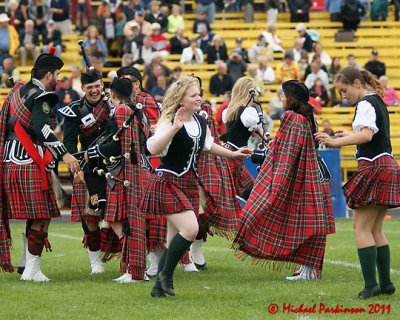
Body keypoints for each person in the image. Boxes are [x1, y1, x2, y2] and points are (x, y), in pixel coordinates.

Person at [140, 75, 251, 297]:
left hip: (189, 182)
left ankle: (158, 288)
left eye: (199, 94)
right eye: (193, 95)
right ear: (181, 99)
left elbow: (209, 145)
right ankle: (165, 277)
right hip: (168, 181)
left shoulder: (200, 120)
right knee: (191, 229)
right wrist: (174, 129)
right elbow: (152, 148)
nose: (199, 98)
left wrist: (233, 154)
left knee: (173, 238)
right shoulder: (169, 119)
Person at [233, 80, 335, 281]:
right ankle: (309, 269)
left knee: (299, 221)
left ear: (292, 98)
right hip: (312, 177)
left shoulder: (291, 117)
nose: (280, 98)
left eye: (283, 94)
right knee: (311, 224)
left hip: (301, 179)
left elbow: (287, 154)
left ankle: (309, 270)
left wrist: (275, 182)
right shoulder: (307, 117)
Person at [316, 67, 400, 299]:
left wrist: (334, 142)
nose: (344, 96)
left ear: (356, 83)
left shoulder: (364, 104)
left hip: (374, 167)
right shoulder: (377, 101)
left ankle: (372, 285)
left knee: (361, 228)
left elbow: (366, 136)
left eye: (344, 91)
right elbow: (368, 134)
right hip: (386, 165)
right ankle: (385, 284)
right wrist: (346, 136)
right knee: (375, 230)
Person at [0, 52, 80, 279]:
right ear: (48, 75)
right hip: (28, 161)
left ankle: (28, 266)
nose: (58, 79)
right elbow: (43, 129)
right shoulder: (43, 96)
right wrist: (65, 155)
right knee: (41, 214)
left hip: (9, 162)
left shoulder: (18, 91)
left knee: (36, 215)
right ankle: (32, 271)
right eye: (57, 74)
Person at [85, 76, 147, 282]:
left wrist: (93, 152)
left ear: (112, 94)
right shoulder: (135, 111)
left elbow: (118, 145)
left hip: (123, 172)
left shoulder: (121, 111)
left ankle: (133, 268)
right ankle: (134, 267)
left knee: (119, 219)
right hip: (130, 171)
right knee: (117, 219)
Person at [61, 69, 110, 275]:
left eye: (97, 86)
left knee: (120, 214)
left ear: (102, 85)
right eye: (89, 87)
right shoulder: (74, 110)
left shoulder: (112, 105)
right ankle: (95, 262)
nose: (94, 90)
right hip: (87, 168)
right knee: (90, 218)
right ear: (82, 88)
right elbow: (70, 143)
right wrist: (76, 170)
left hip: (113, 164)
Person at [221, 77, 261, 201]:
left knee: (232, 196)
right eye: (256, 91)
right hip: (235, 157)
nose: (258, 95)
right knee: (254, 194)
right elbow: (258, 129)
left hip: (227, 153)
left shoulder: (229, 110)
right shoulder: (249, 112)